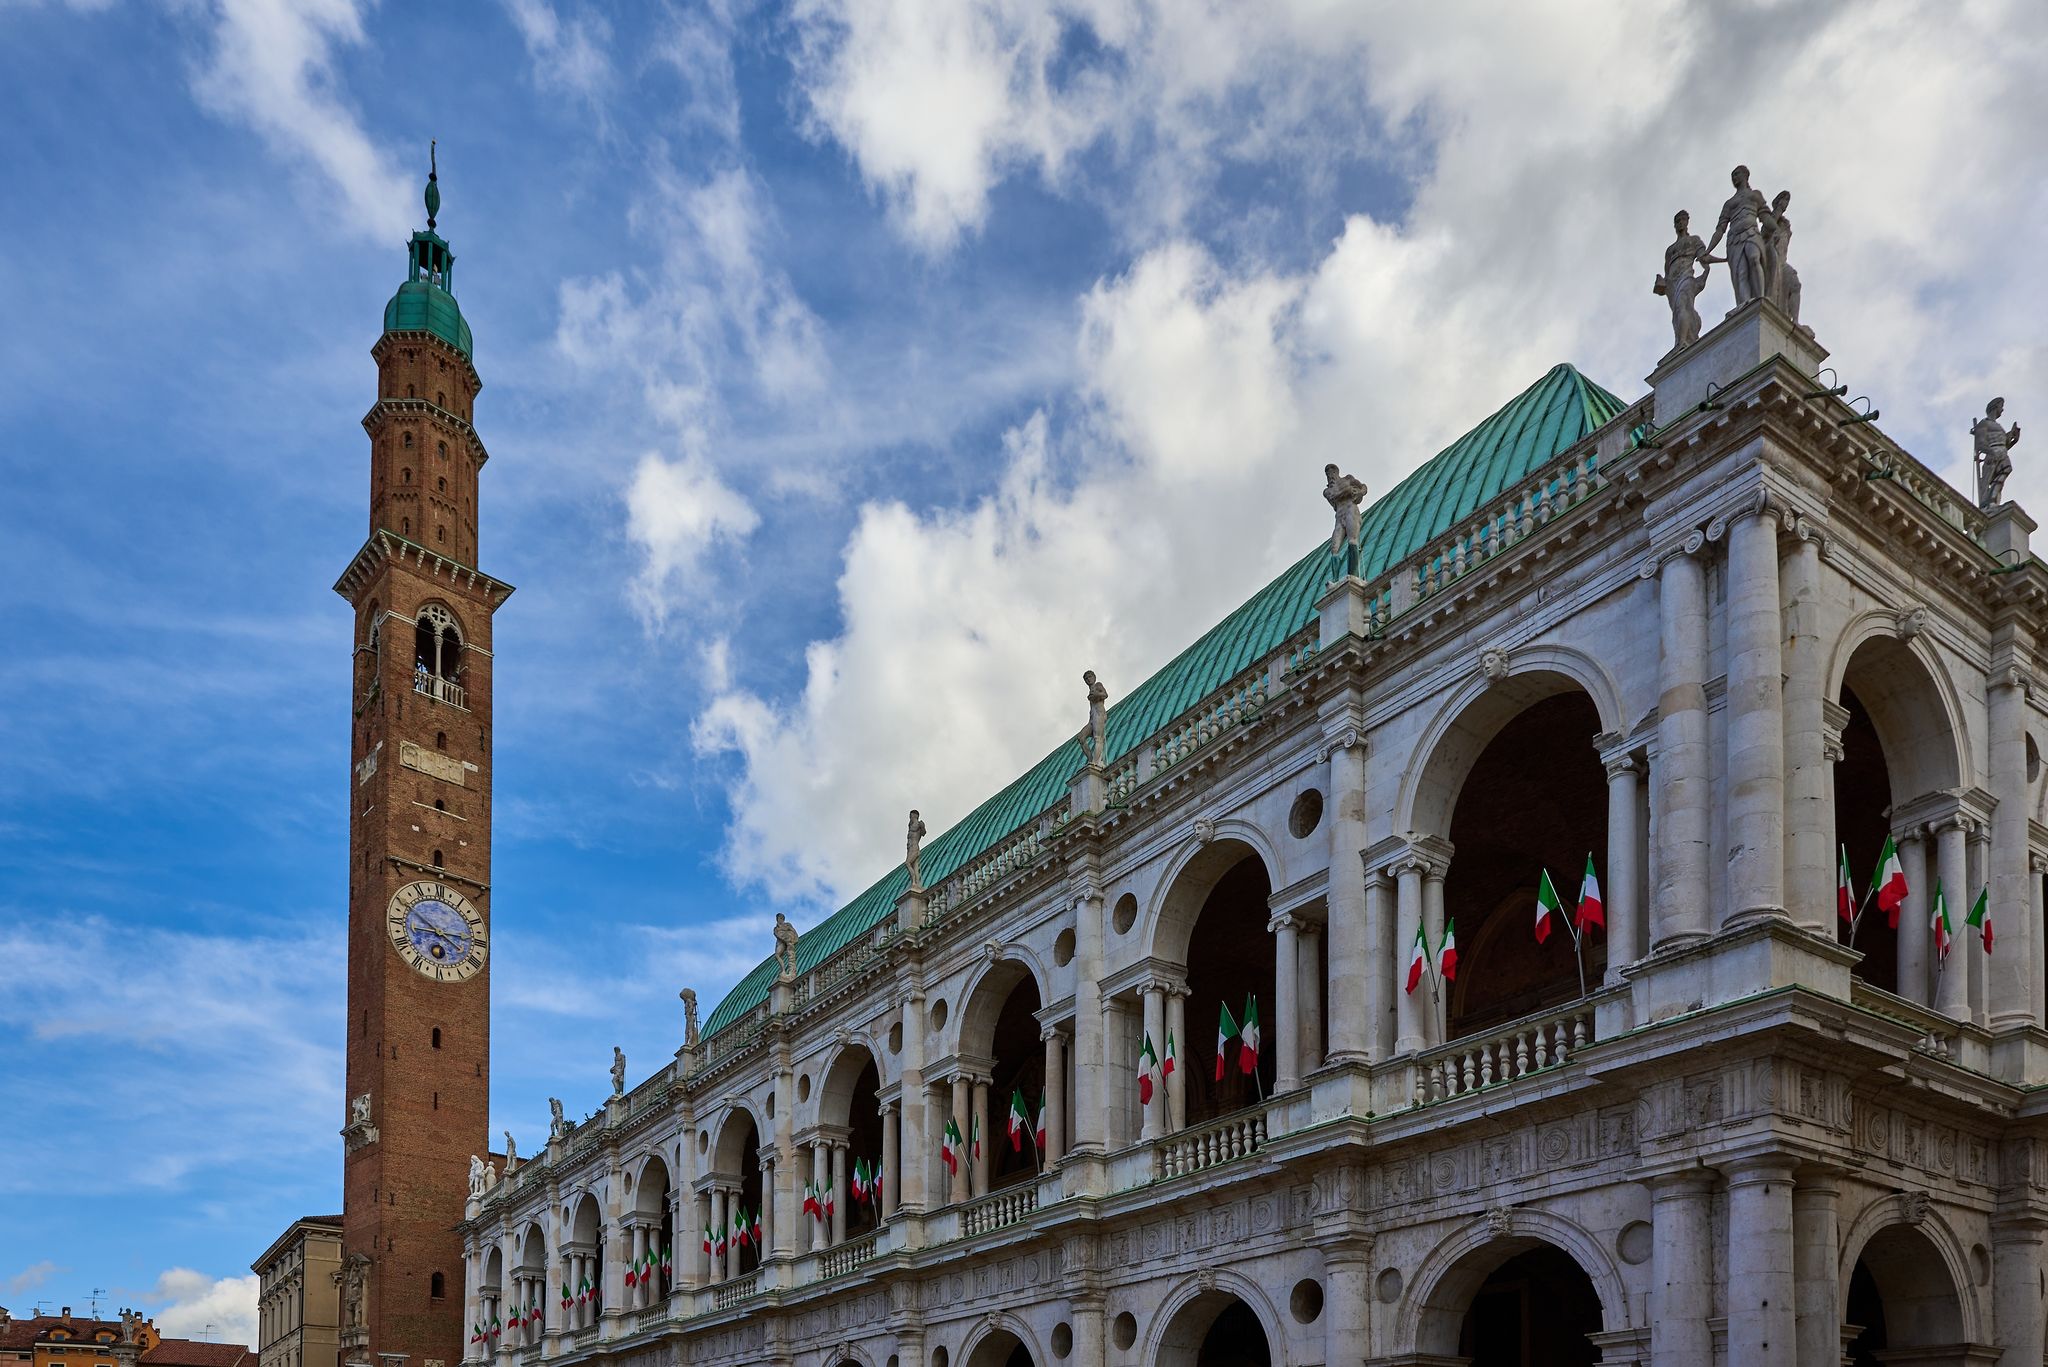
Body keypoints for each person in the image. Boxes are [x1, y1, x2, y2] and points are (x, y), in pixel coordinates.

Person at [1654, 209, 1718, 353]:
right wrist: (1662, 283)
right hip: (1672, 284)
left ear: (1687, 221)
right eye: (1677, 221)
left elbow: (1703, 257)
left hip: (1687, 277)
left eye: (1683, 220)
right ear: (1675, 225)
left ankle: (1682, 343)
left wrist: (1720, 261)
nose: (1680, 223)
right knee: (1677, 312)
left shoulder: (1694, 240)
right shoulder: (1670, 250)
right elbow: (1667, 271)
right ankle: (1682, 339)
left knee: (1683, 304)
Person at [1706, 165, 1769, 308]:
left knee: (1754, 259)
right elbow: (1720, 229)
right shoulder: (1729, 203)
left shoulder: (1755, 195)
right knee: (1741, 272)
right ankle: (1744, 304)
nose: (1734, 178)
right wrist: (1708, 250)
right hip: (1734, 239)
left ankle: (1761, 298)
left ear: (1746, 175)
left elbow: (1766, 217)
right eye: (1732, 176)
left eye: (1737, 174)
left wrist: (1775, 228)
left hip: (1752, 233)